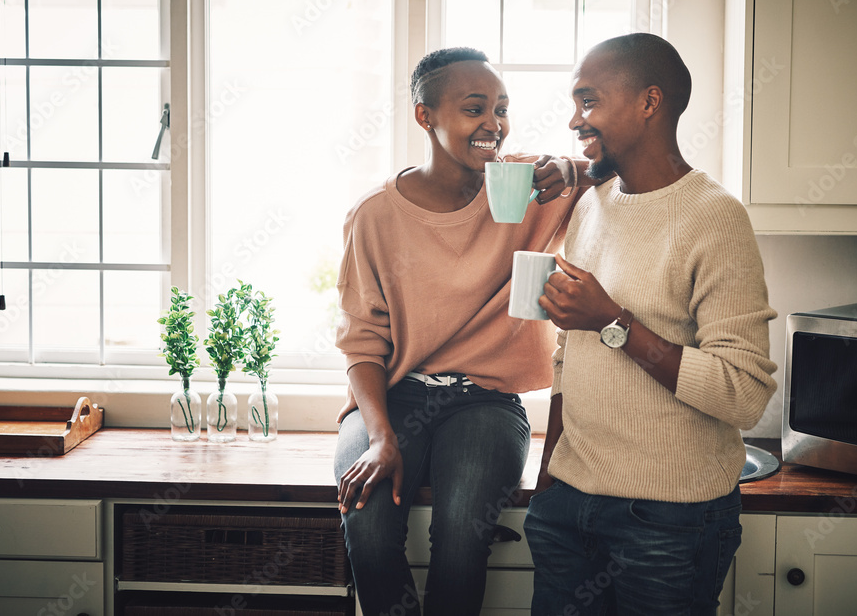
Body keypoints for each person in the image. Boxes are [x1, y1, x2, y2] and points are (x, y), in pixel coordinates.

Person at [333, 46, 597, 616]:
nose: (494, 125)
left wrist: (574, 168)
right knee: (369, 533)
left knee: (461, 539)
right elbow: (362, 342)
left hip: (487, 402)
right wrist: (380, 436)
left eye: (501, 109)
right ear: (426, 116)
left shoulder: (531, 184)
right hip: (394, 396)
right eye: (475, 109)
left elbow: (634, 161)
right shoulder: (374, 215)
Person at [523, 33, 778, 615]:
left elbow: (744, 394)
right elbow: (571, 354)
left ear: (649, 102)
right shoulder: (593, 204)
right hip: (568, 507)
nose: (573, 119)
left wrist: (612, 320)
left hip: (668, 520)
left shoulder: (715, 218)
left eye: (588, 101)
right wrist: (549, 480)